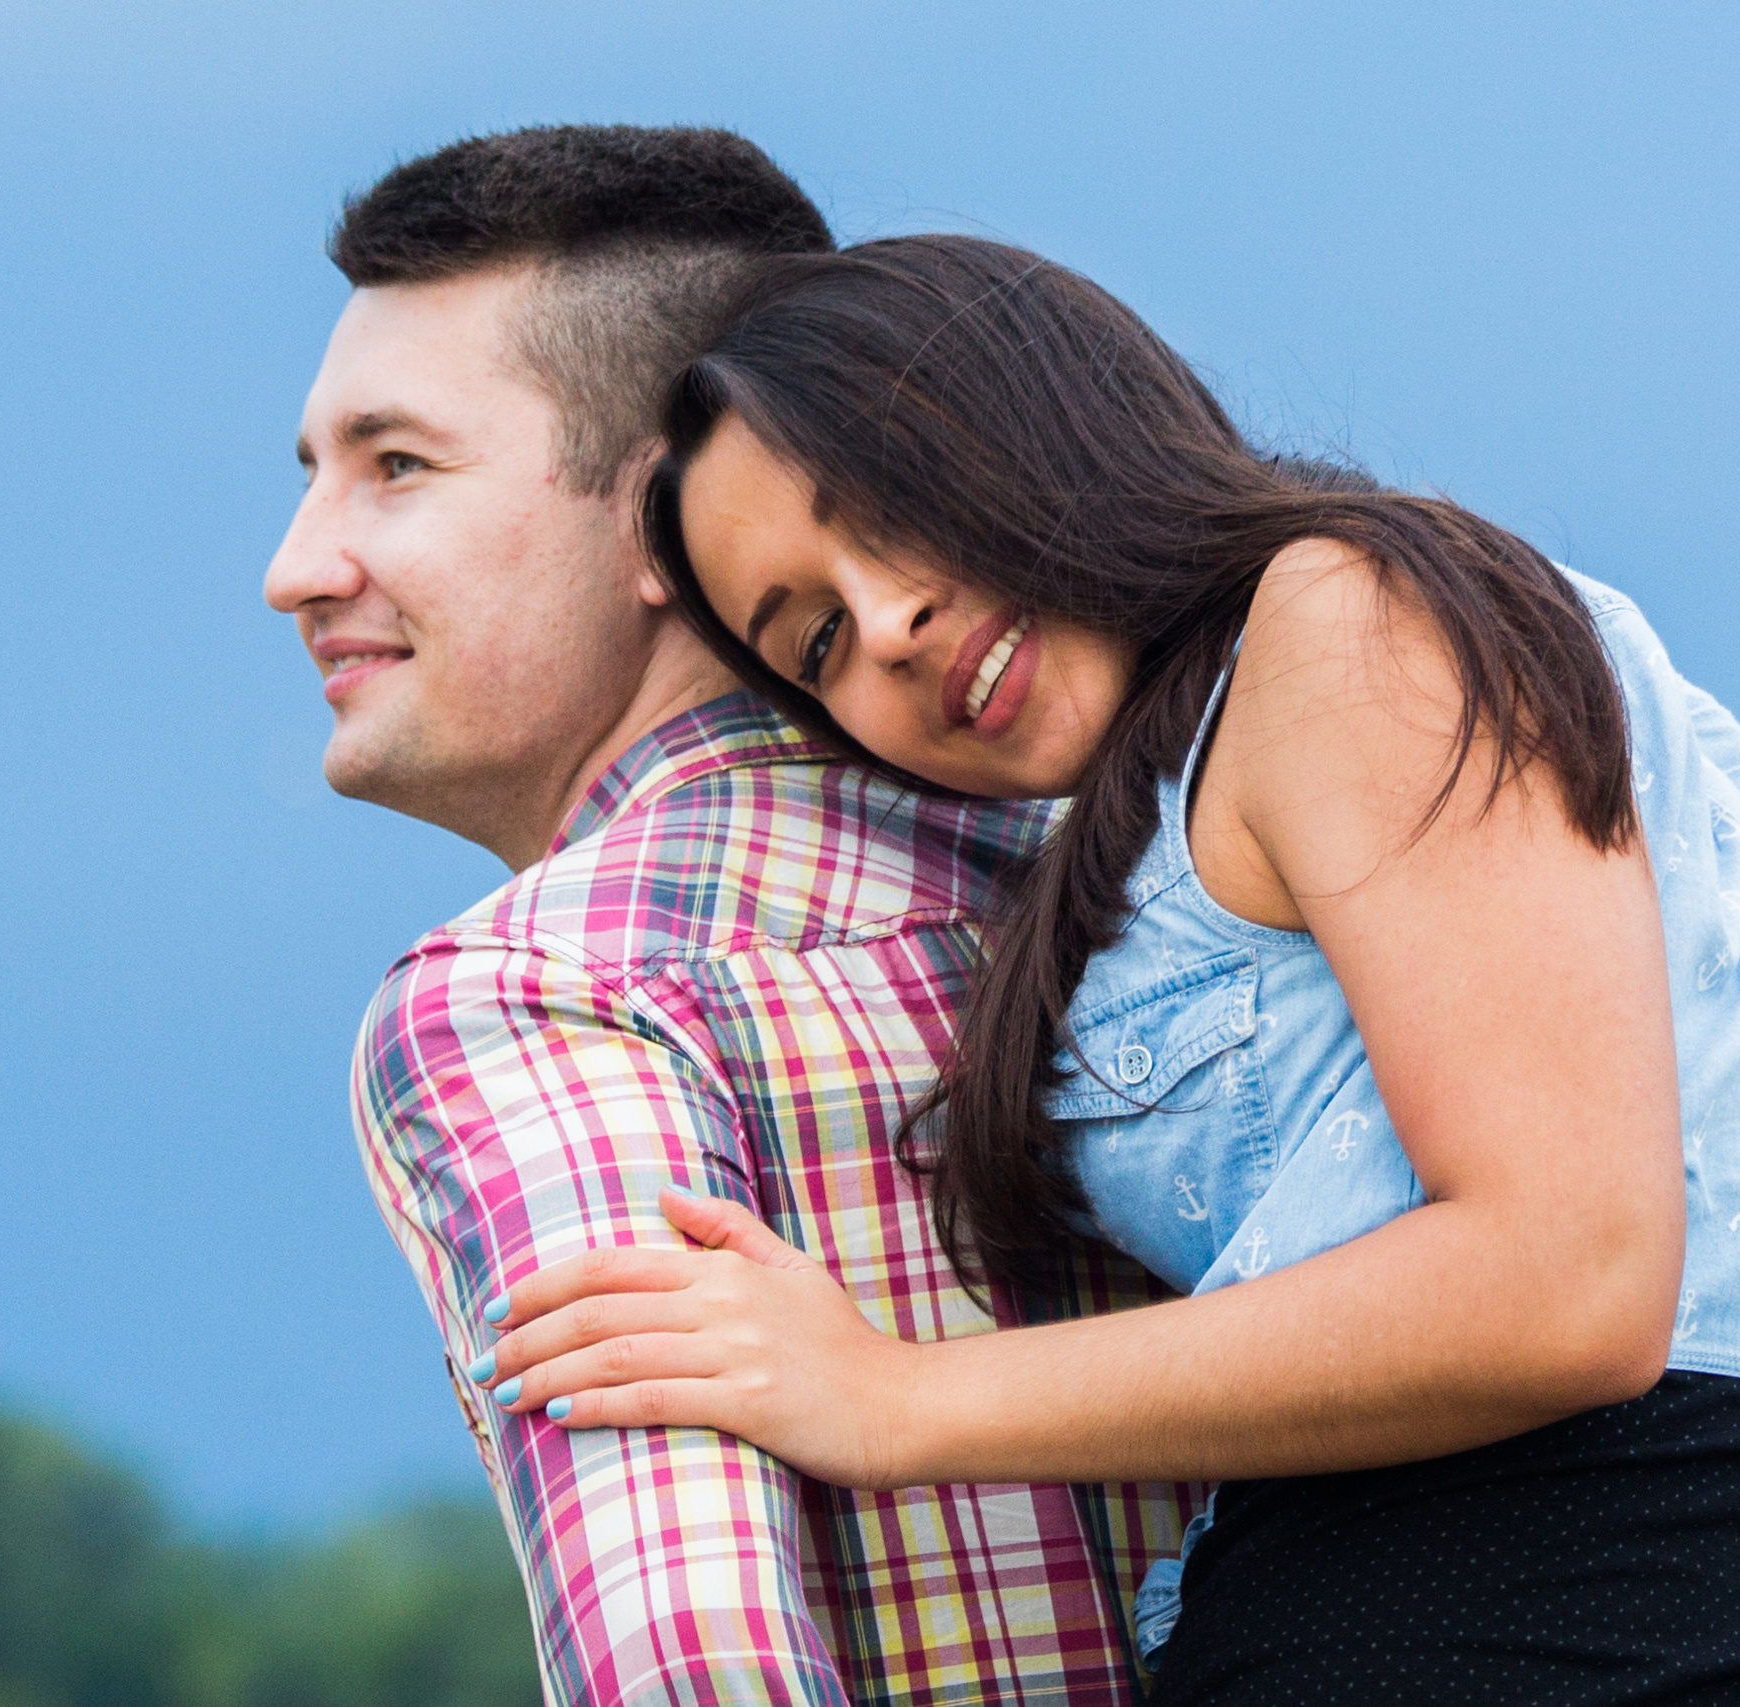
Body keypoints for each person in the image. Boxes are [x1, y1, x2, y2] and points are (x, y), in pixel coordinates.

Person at [468, 235, 1740, 1701]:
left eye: (896, 508)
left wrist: (890, 1395)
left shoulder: (1351, 616)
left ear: (1047, 407)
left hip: (1635, 1620)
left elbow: (1571, 1282)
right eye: (821, 636)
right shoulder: (1131, 840)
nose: (893, 628)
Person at [261, 133, 1203, 1704]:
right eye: (312, 479)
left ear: (660, 523)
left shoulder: (537, 997)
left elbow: (695, 1662)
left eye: (397, 465)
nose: (297, 569)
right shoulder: (1156, 861)